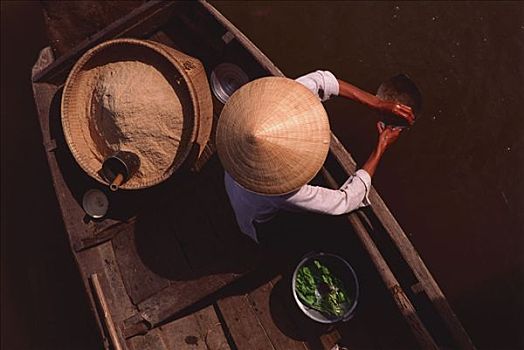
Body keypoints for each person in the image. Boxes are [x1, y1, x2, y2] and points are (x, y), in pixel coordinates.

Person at [216, 70, 414, 243]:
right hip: (257, 224)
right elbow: (344, 200)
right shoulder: (283, 193)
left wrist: (376, 103)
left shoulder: (253, 124)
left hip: (232, 183)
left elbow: (322, 81)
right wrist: (380, 147)